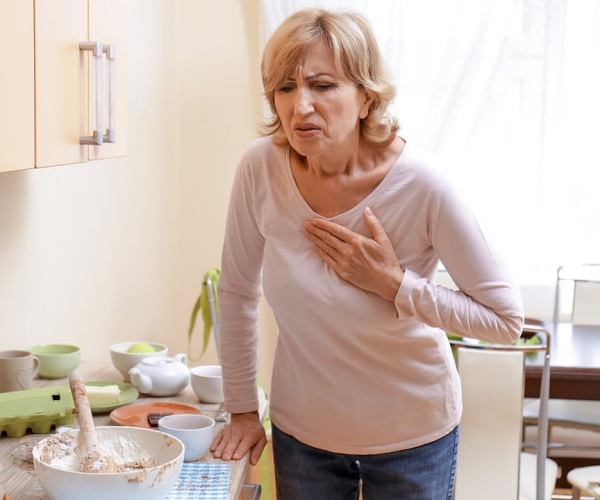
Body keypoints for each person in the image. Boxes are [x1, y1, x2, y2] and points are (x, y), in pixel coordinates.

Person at [210, 7, 523, 500]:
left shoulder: (424, 185)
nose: (300, 107)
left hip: (412, 437)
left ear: (366, 97)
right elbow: (235, 291)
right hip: (303, 436)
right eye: (285, 88)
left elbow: (504, 321)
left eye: (322, 85)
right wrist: (244, 408)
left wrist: (395, 284)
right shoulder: (260, 167)